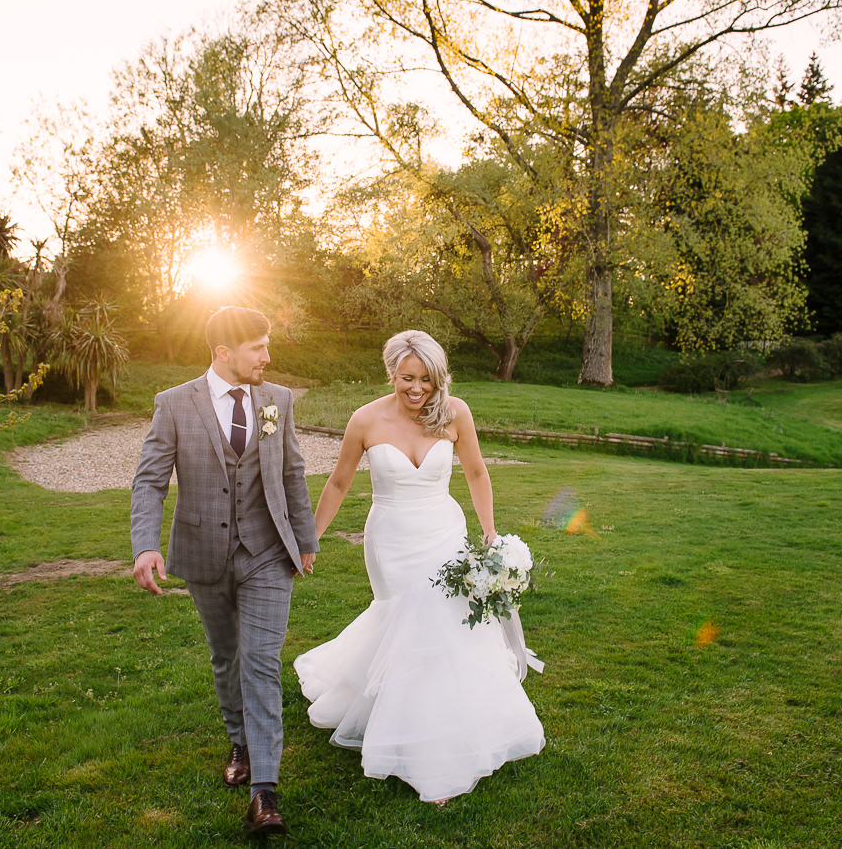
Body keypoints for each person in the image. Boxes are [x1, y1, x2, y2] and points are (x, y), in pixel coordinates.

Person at [294, 330, 544, 804]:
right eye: (408, 378)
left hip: (443, 534)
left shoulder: (455, 412)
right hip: (390, 541)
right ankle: (409, 735)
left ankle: (443, 742)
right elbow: (339, 482)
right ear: (391, 372)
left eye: (426, 380)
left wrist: (489, 533)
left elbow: (475, 472)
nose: (417, 389)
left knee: (446, 629)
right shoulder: (365, 419)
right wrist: (311, 538)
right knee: (406, 627)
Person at [131, 306, 318, 835]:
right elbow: (149, 482)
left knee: (260, 661)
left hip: (267, 553)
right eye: (257, 347)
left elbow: (293, 471)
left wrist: (305, 540)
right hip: (203, 552)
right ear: (223, 354)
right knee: (225, 656)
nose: (267, 356)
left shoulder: (277, 400)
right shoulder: (173, 405)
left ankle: (265, 792)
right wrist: (145, 545)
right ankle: (238, 739)